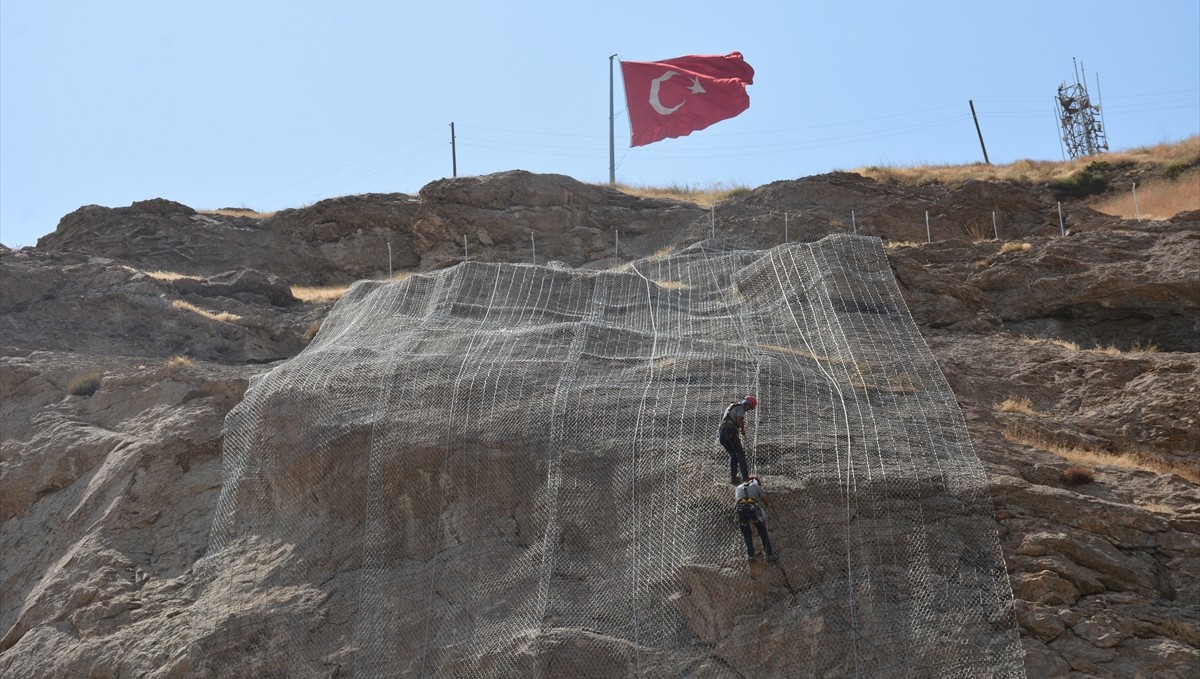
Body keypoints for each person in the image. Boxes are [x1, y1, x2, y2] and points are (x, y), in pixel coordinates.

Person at [734, 476, 776, 562]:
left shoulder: (738, 487)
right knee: (762, 531)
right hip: (752, 508)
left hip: (740, 510)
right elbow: (765, 500)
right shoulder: (756, 486)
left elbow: (737, 500)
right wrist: (767, 507)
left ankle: (751, 556)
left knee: (746, 533)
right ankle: (769, 554)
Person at [718, 395, 757, 484]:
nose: (748, 410)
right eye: (750, 408)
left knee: (733, 455)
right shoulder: (741, 408)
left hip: (722, 434)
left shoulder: (732, 406)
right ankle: (746, 477)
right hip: (731, 432)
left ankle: (733, 478)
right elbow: (739, 419)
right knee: (740, 454)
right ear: (748, 404)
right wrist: (742, 429)